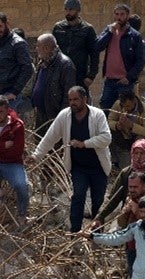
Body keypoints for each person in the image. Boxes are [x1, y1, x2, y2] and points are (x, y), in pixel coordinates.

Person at [30, 87, 112, 232]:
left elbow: (106, 138)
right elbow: (50, 137)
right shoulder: (64, 116)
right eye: (70, 100)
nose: (73, 103)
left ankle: (97, 234)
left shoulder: (97, 115)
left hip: (98, 166)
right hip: (78, 167)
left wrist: (84, 144)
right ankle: (75, 233)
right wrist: (36, 155)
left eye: (76, 99)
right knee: (78, 196)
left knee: (98, 201)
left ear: (84, 99)